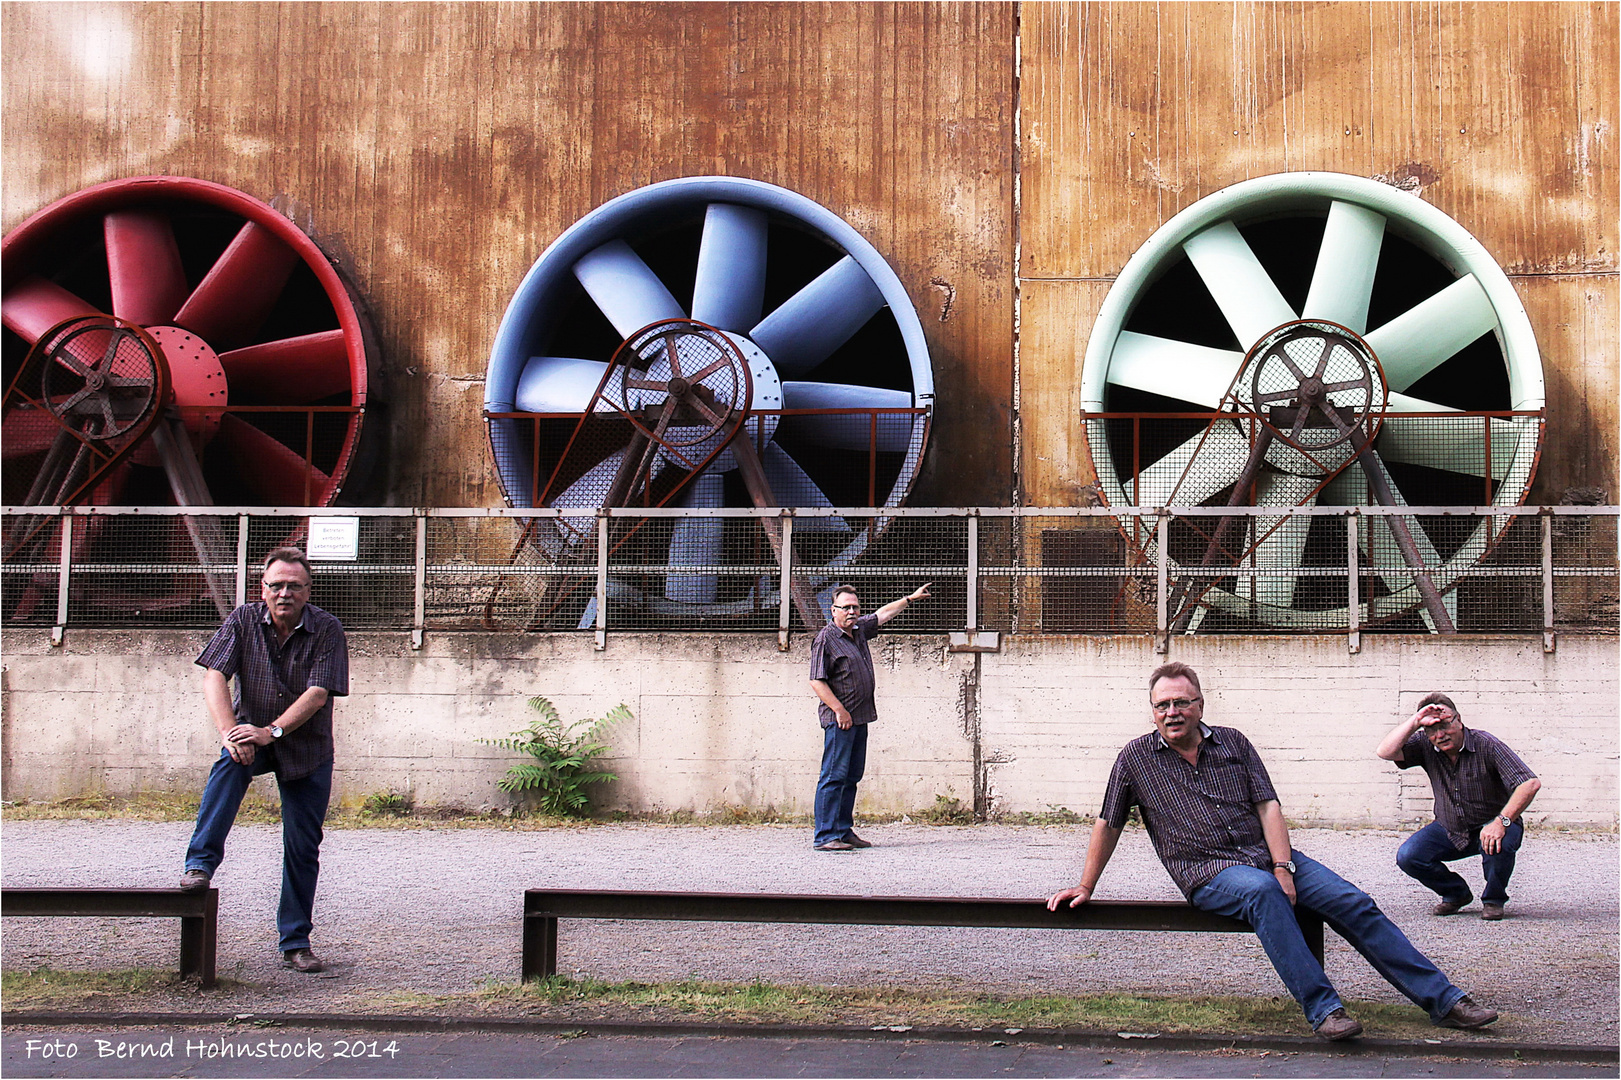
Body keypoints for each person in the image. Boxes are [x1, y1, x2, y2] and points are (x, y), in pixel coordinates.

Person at [1047, 662, 1498, 1041]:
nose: (1173, 711)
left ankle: (1446, 1001)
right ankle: (1325, 1011)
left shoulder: (1234, 743)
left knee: (1353, 902)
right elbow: (1109, 821)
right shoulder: (1135, 758)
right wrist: (1086, 885)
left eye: (1182, 701)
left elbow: (1267, 805)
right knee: (1263, 892)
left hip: (1269, 857)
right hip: (1207, 872)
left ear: (1200, 704)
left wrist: (1284, 864)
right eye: (1163, 704)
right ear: (1152, 713)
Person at [179, 547, 349, 974]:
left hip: (305, 748)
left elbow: (318, 693)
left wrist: (270, 731)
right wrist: (229, 732)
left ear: (308, 591)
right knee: (229, 764)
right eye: (276, 585)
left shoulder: (328, 630)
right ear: (263, 588)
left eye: (294, 586)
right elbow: (214, 675)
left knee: (302, 847)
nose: (284, 593)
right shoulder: (241, 620)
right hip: (250, 736)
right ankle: (199, 865)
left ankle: (295, 942)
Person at [1376, 693, 1541, 921]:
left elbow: (1529, 783)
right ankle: (1456, 894)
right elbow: (1385, 752)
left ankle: (1494, 900)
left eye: (1445, 725)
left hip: (1493, 824)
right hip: (1450, 827)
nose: (1440, 735)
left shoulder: (1486, 744)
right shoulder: (1424, 745)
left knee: (1498, 844)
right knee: (1409, 856)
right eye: (1432, 729)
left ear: (1459, 720)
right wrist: (1415, 722)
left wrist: (1501, 823)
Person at [807, 582, 931, 851]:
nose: (851, 612)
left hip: (860, 717)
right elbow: (817, 681)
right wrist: (839, 710)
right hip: (841, 720)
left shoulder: (858, 630)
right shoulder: (826, 639)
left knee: (851, 776)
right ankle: (826, 835)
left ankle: (843, 829)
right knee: (833, 776)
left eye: (855, 607)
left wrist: (910, 599)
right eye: (846, 608)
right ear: (833, 610)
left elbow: (883, 614)